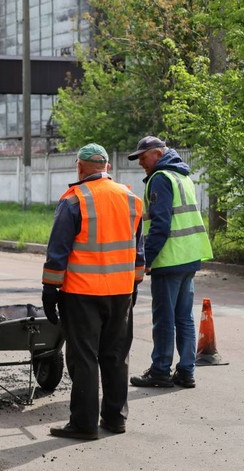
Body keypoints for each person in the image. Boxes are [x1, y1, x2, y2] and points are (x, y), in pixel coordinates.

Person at [42, 144, 145, 440]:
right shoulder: (131, 199)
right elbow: (138, 251)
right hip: (121, 292)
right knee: (116, 355)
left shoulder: (74, 200)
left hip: (82, 293)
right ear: (107, 167)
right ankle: (115, 418)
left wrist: (50, 289)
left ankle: (84, 424)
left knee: (84, 357)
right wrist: (134, 285)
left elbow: (58, 252)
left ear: (79, 167)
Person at [128, 136, 213, 389]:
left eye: (143, 157)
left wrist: (147, 258)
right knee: (184, 318)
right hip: (189, 256)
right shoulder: (182, 176)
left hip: (170, 258)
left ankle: (160, 371)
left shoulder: (160, 178)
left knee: (164, 319)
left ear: (157, 154)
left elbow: (161, 224)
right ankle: (186, 371)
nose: (140, 163)